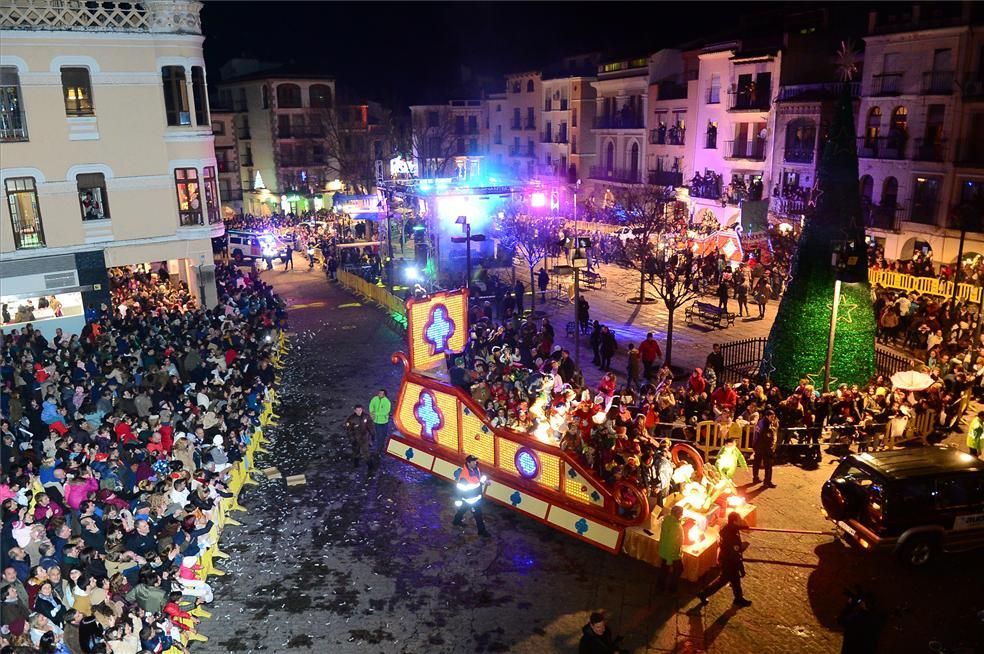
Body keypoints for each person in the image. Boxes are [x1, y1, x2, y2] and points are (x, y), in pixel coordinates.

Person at [698, 511, 751, 607]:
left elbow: (739, 527)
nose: (741, 521)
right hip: (729, 562)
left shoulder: (728, 528)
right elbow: (735, 553)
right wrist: (743, 547)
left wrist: (743, 526)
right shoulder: (732, 536)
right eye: (739, 519)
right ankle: (703, 594)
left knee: (735, 581)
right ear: (735, 521)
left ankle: (738, 598)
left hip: (725, 558)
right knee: (722, 581)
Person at [452, 455, 490, 537]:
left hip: (473, 498)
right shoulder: (464, 476)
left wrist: (485, 482)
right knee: (478, 515)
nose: (475, 463)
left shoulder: (476, 469)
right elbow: (460, 489)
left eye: (475, 461)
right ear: (468, 463)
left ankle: (456, 521)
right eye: (473, 461)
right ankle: (481, 531)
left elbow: (477, 481)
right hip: (471, 500)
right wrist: (459, 499)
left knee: (462, 510)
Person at [656, 505, 684, 593]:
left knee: (664, 569)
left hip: (664, 550)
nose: (682, 515)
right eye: (681, 514)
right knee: (679, 569)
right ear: (678, 514)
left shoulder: (667, 520)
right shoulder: (675, 526)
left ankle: (660, 586)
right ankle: (672, 588)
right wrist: (670, 560)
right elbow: (673, 543)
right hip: (672, 554)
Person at [752, 410, 778, 488]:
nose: (773, 418)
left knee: (757, 462)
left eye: (774, 417)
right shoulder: (766, 424)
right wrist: (771, 447)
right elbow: (768, 436)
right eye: (771, 417)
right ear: (767, 416)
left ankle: (755, 478)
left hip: (758, 445)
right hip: (764, 447)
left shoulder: (761, 422)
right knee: (768, 465)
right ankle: (767, 482)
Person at [344, 404, 374, 468]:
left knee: (365, 452)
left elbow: (370, 426)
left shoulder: (366, 416)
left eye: (360, 410)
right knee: (356, 451)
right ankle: (356, 463)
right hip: (356, 438)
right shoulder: (351, 419)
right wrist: (352, 439)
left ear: (362, 410)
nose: (359, 412)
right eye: (357, 410)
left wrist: (372, 434)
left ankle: (370, 465)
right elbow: (349, 430)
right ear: (354, 411)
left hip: (364, 437)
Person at [368, 389, 392, 455]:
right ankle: (378, 448)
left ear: (385, 395)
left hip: (383, 422)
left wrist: (375, 413)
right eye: (379, 393)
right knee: (378, 435)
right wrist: (371, 412)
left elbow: (385, 412)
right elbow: (371, 405)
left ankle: (379, 448)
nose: (380, 394)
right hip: (376, 421)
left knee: (382, 436)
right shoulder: (374, 399)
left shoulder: (387, 402)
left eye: (381, 393)